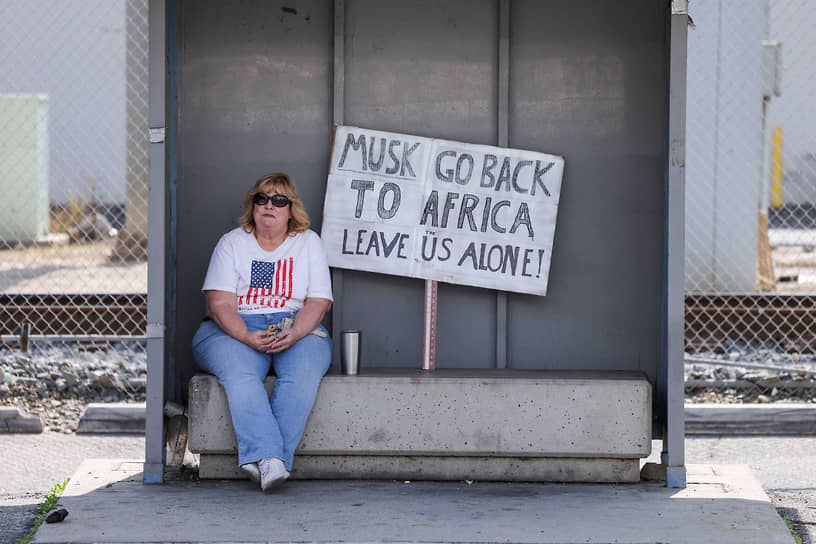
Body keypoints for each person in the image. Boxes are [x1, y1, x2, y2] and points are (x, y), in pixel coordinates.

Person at [191, 172, 333, 492]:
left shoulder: (308, 242)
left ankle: (269, 461)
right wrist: (245, 336)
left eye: (279, 200)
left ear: (291, 209)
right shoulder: (232, 242)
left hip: (294, 325)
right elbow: (218, 304)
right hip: (233, 327)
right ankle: (272, 459)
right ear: (253, 206)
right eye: (262, 199)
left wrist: (295, 333)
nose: (269, 205)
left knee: (303, 373)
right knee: (241, 374)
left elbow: (319, 302)